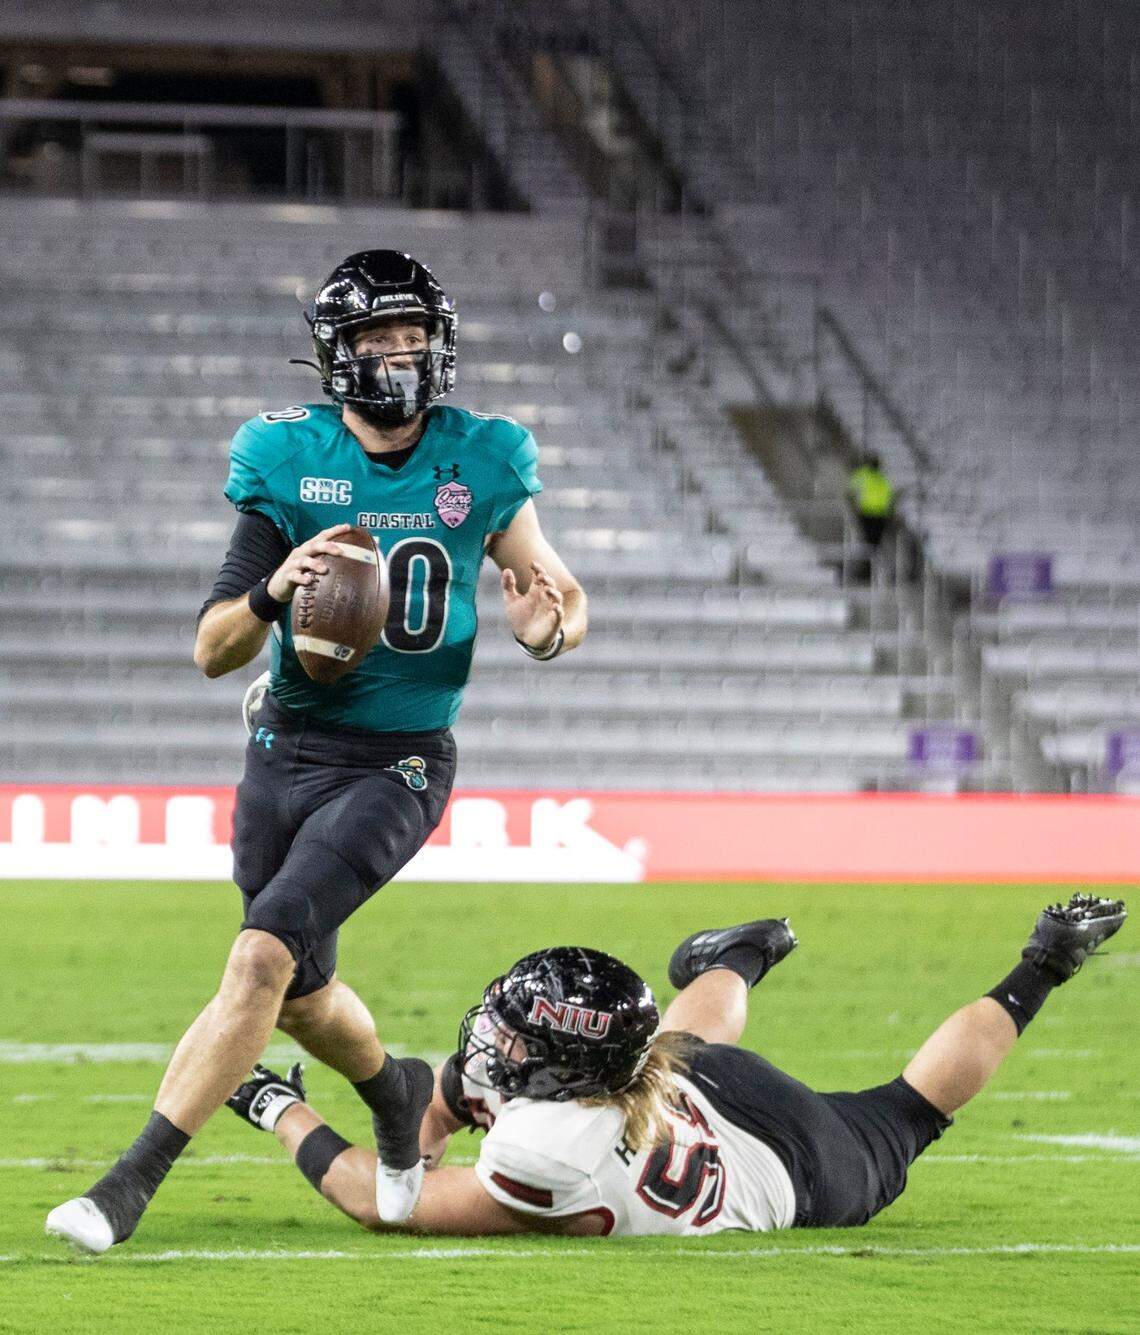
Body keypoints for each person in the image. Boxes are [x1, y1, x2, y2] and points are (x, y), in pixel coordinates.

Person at [46, 248, 588, 1254]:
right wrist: (273, 590)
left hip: (401, 761)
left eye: (413, 338)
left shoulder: (485, 455)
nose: (398, 356)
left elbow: (561, 594)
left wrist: (544, 628)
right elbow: (213, 651)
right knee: (297, 997)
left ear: (441, 346)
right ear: (337, 357)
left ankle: (124, 1188)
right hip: (284, 747)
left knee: (259, 957)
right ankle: (398, 1089)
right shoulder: (286, 458)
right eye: (377, 340)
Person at [222, 893, 1123, 1237]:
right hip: (696, 1097)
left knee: (909, 1112)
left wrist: (273, 1104)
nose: (496, 1039)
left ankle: (1039, 969)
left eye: (520, 1038)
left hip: (797, 1173)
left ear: (566, 1069)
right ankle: (1040, 962)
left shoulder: (546, 1151)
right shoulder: (603, 1069)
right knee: (683, 1054)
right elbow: (447, 1098)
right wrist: (420, 1129)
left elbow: (384, 1199)